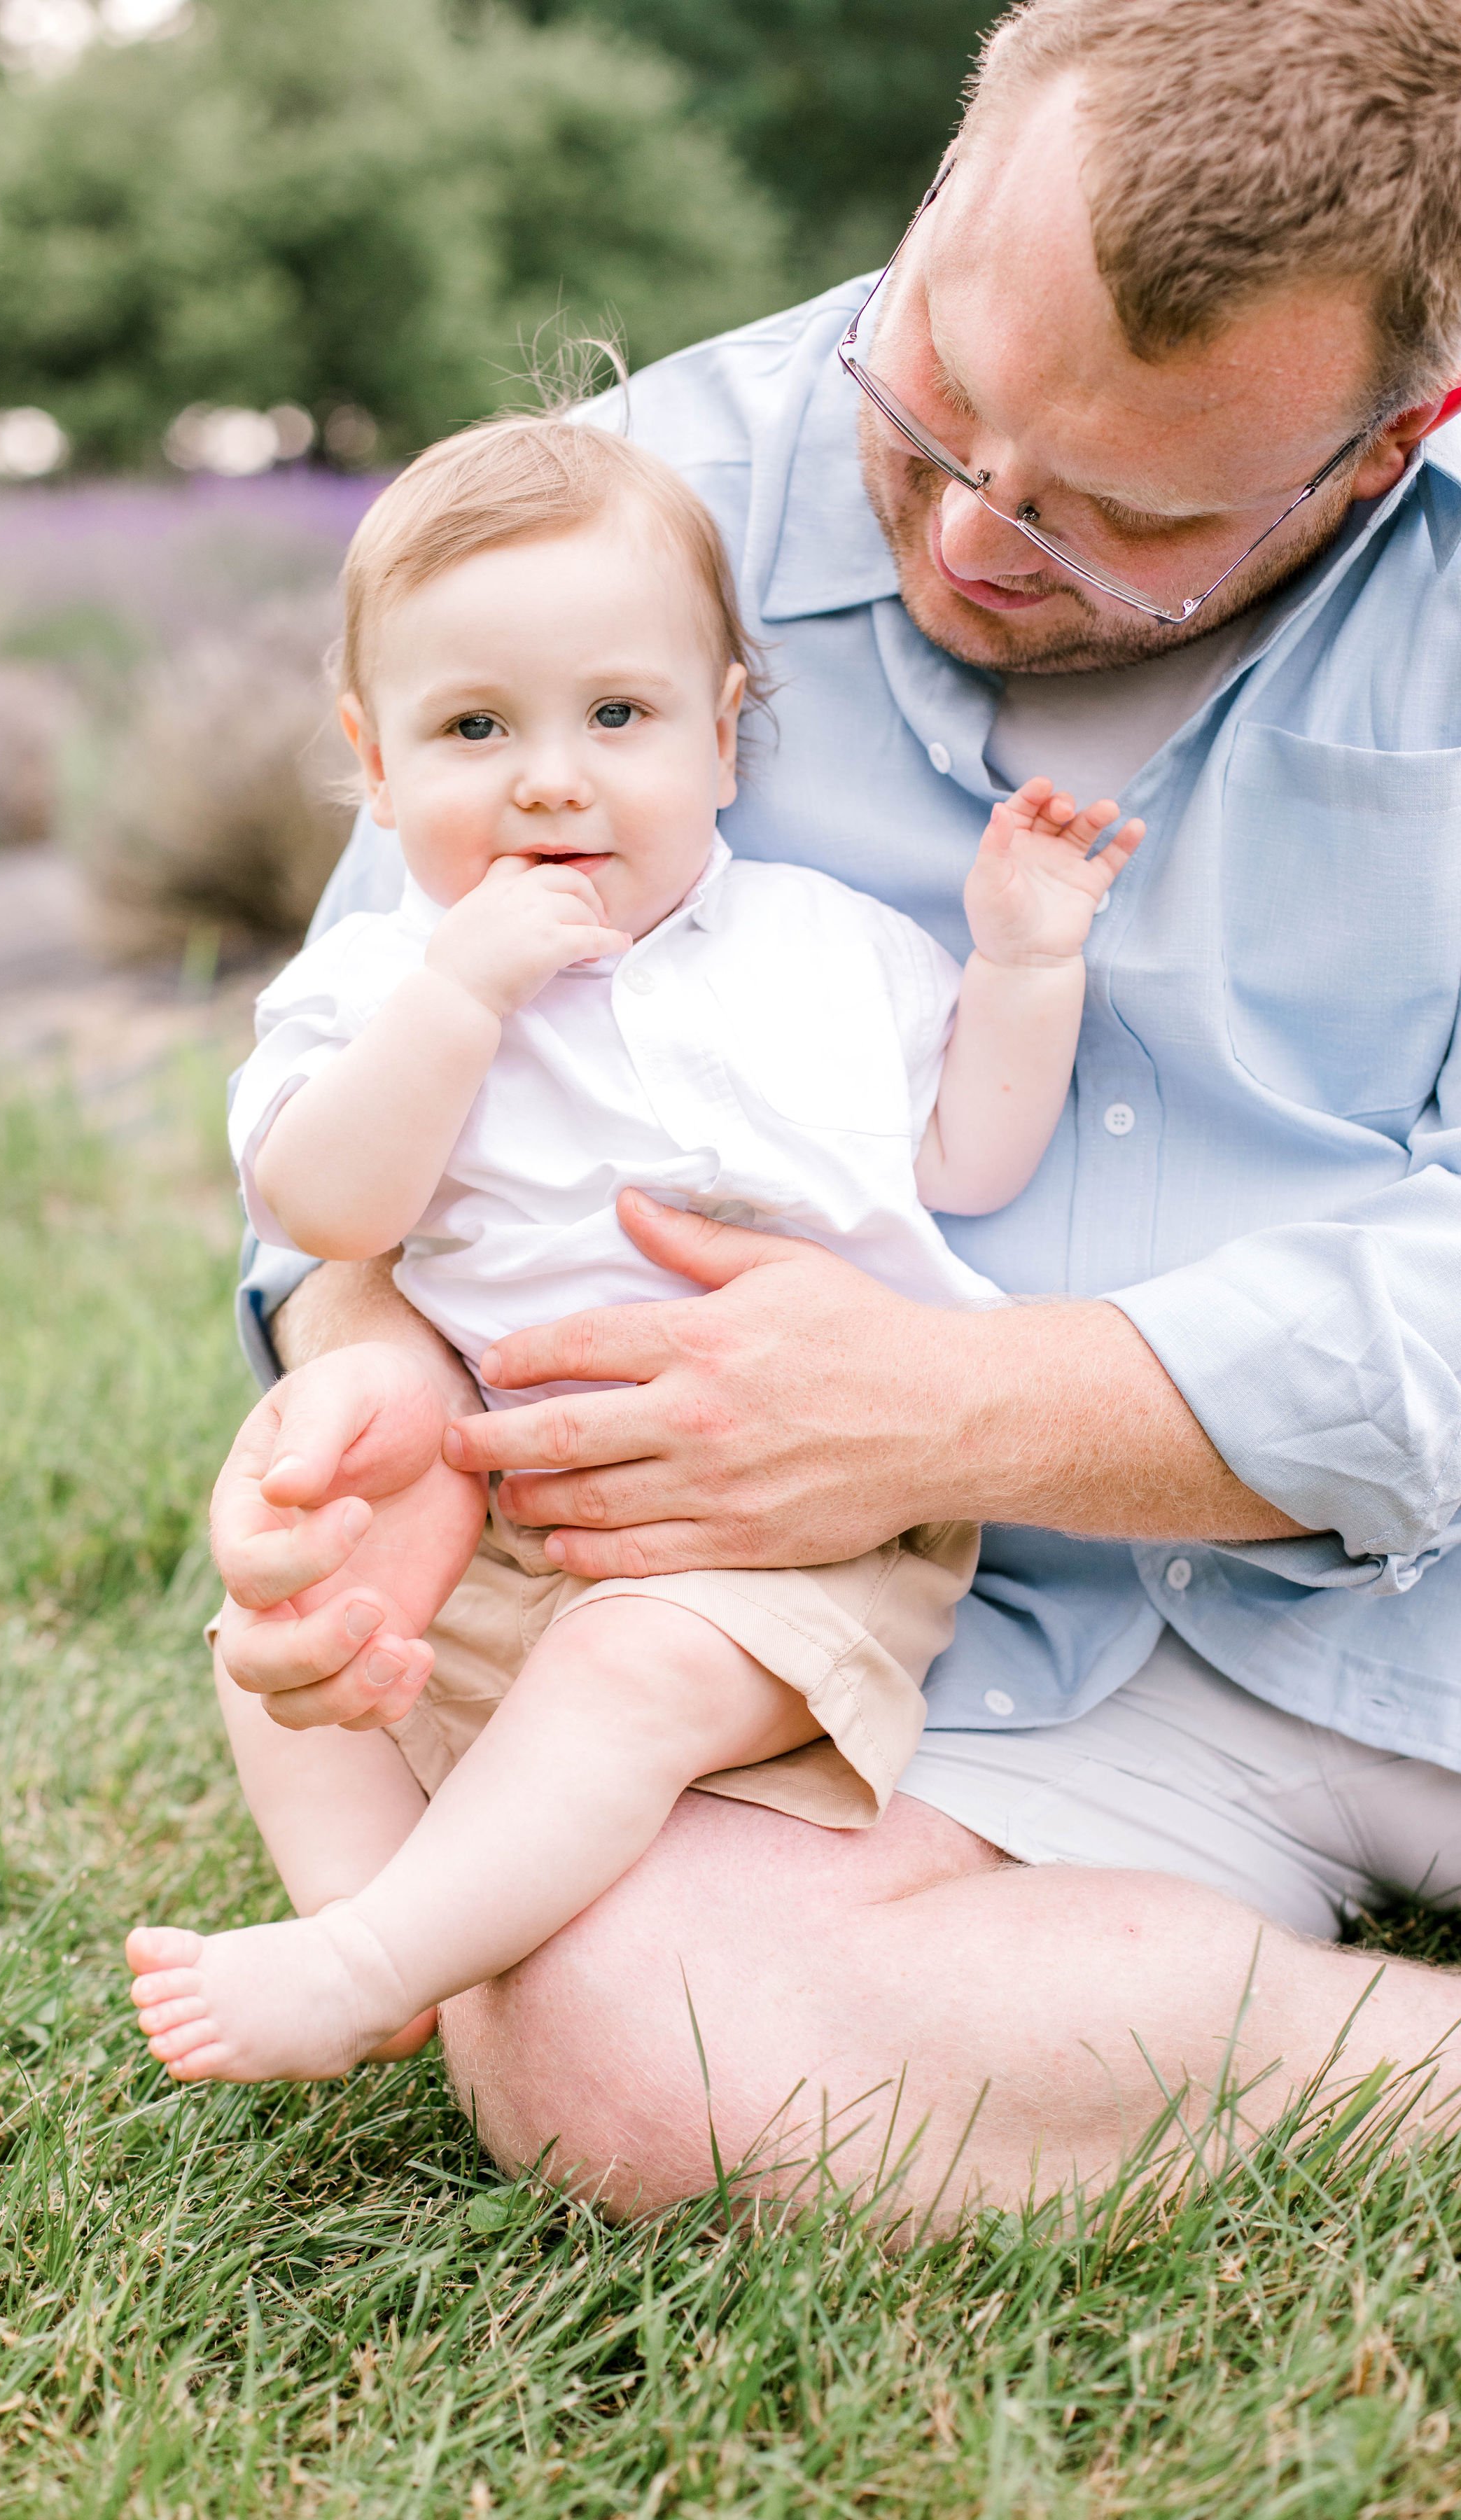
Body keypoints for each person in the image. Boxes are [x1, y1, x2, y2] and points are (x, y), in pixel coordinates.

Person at [206, 0, 1461, 2220]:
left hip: (1423, 1567)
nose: (979, 529)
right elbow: (359, 1076)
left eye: (1126, 514)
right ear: (939, 185)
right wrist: (378, 1367)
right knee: (632, 2040)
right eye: (938, 394)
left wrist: (977, 1404)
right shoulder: (613, 516)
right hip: (970, 1671)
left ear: (1390, 442)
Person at [125, 419, 1141, 2085]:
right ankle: (376, 1932)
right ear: (375, 769)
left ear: (723, 741)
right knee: (275, 1632)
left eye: (618, 716)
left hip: (795, 1530)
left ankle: (373, 1955)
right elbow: (324, 1211)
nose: (550, 776)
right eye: (474, 728)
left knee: (629, 1672)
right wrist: (460, 998)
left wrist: (1025, 966)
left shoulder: (827, 952)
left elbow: (972, 1156)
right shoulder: (378, 985)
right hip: (500, 1500)